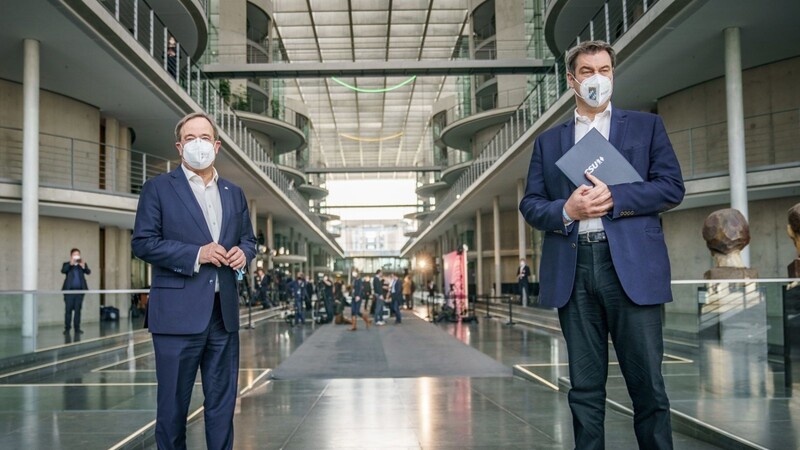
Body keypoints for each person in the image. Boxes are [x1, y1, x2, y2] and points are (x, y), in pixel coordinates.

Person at [519, 40, 684, 450]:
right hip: (573, 269)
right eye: (588, 71)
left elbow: (671, 188)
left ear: (613, 74)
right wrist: (567, 210)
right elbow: (531, 204)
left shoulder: (645, 127)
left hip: (630, 266)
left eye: (605, 70)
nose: (598, 78)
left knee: (648, 385)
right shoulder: (549, 142)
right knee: (584, 387)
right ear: (572, 80)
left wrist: (617, 198)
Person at [131, 112, 257, 450]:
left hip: (223, 316)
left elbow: (249, 239)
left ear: (216, 145)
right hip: (176, 316)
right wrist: (195, 255)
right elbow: (143, 242)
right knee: (172, 408)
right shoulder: (158, 189)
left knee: (222, 406)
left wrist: (244, 253)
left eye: (204, 137)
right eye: (190, 138)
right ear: (179, 147)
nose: (198, 144)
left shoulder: (234, 192)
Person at [61, 248, 91, 335]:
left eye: (78, 254)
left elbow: (88, 272)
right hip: (69, 292)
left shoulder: (82, 264)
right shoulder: (67, 264)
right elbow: (63, 271)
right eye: (75, 254)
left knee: (78, 311)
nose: (77, 256)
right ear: (71, 256)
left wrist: (83, 266)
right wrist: (71, 263)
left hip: (79, 292)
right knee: (68, 311)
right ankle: (67, 329)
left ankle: (77, 328)